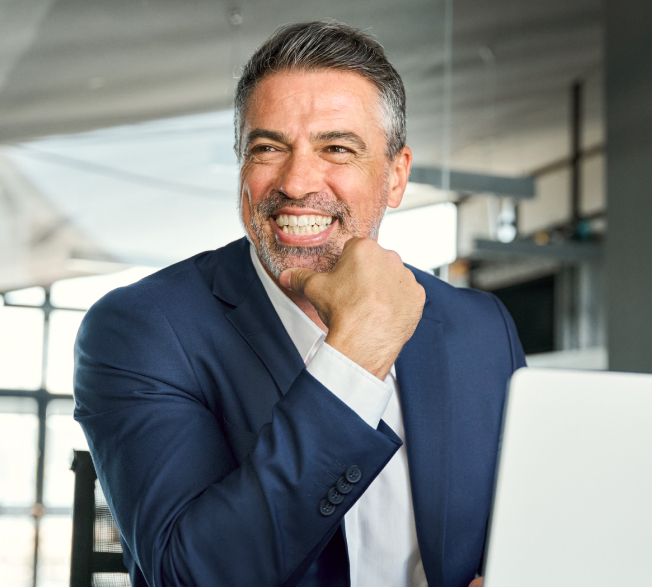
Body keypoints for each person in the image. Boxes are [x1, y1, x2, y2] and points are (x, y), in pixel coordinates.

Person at [74, 21, 525, 587]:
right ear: (241, 167)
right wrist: (356, 355)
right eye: (268, 147)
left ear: (396, 176)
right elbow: (195, 576)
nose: (296, 181)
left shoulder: (480, 328)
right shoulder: (142, 329)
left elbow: (529, 529)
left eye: (337, 148)